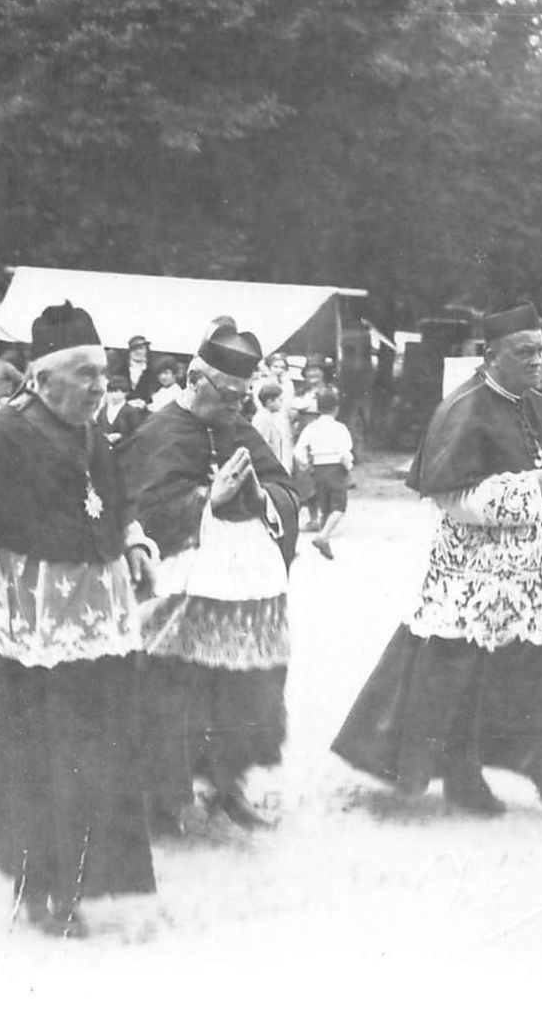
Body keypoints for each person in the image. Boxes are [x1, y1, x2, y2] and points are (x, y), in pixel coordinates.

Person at [0, 301, 158, 938]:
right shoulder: (0, 435)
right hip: (26, 640)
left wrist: (133, 543)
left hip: (99, 630)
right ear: (40, 380)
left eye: (102, 373)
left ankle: (84, 886)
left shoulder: (92, 433)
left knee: (96, 758)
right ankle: (41, 886)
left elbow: (114, 505)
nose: (98, 386)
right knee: (39, 762)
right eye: (82, 374)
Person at [331, 303, 542, 817]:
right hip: (480, 576)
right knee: (469, 678)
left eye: (540, 351)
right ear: (492, 356)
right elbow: (450, 496)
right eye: (524, 353)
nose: (536, 362)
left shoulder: (535, 402)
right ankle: (463, 778)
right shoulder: (463, 408)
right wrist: (531, 487)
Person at [118, 318, 298, 832]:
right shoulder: (157, 431)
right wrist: (206, 501)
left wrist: (263, 498)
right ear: (196, 379)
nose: (238, 407)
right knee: (174, 692)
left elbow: (286, 491)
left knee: (242, 690)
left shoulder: (238, 425)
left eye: (244, 397)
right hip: (181, 592)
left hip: (244, 594)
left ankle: (228, 786)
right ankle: (162, 796)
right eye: (229, 395)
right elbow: (137, 507)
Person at [295, 387, 354, 560]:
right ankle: (323, 536)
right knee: (339, 507)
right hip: (335, 467)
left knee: (325, 504)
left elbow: (299, 450)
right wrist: (349, 467)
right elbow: (344, 452)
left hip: (318, 468)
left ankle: (324, 533)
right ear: (336, 408)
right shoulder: (340, 428)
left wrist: (306, 464)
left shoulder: (311, 428)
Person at [250, 381, 293, 469]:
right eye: (280, 400)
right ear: (270, 402)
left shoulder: (271, 418)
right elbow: (261, 445)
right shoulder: (263, 419)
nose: (282, 403)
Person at [96, 374, 145, 445]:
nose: (113, 395)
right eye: (110, 392)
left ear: (126, 393)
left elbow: (136, 434)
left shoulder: (131, 411)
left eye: (116, 392)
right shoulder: (103, 410)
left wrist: (121, 436)